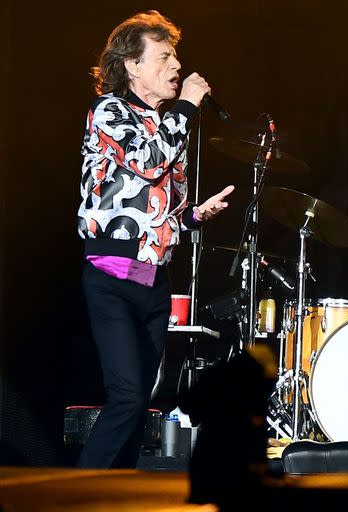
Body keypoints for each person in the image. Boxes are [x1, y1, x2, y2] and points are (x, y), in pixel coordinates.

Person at [76, 10, 234, 469]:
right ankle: (78, 493)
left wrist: (196, 215)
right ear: (132, 65)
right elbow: (147, 162)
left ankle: (116, 492)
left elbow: (163, 214)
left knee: (140, 397)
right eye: (164, 56)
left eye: (176, 57)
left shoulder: (167, 125)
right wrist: (186, 105)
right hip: (111, 274)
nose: (176, 66)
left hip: (153, 280)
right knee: (126, 394)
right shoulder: (110, 111)